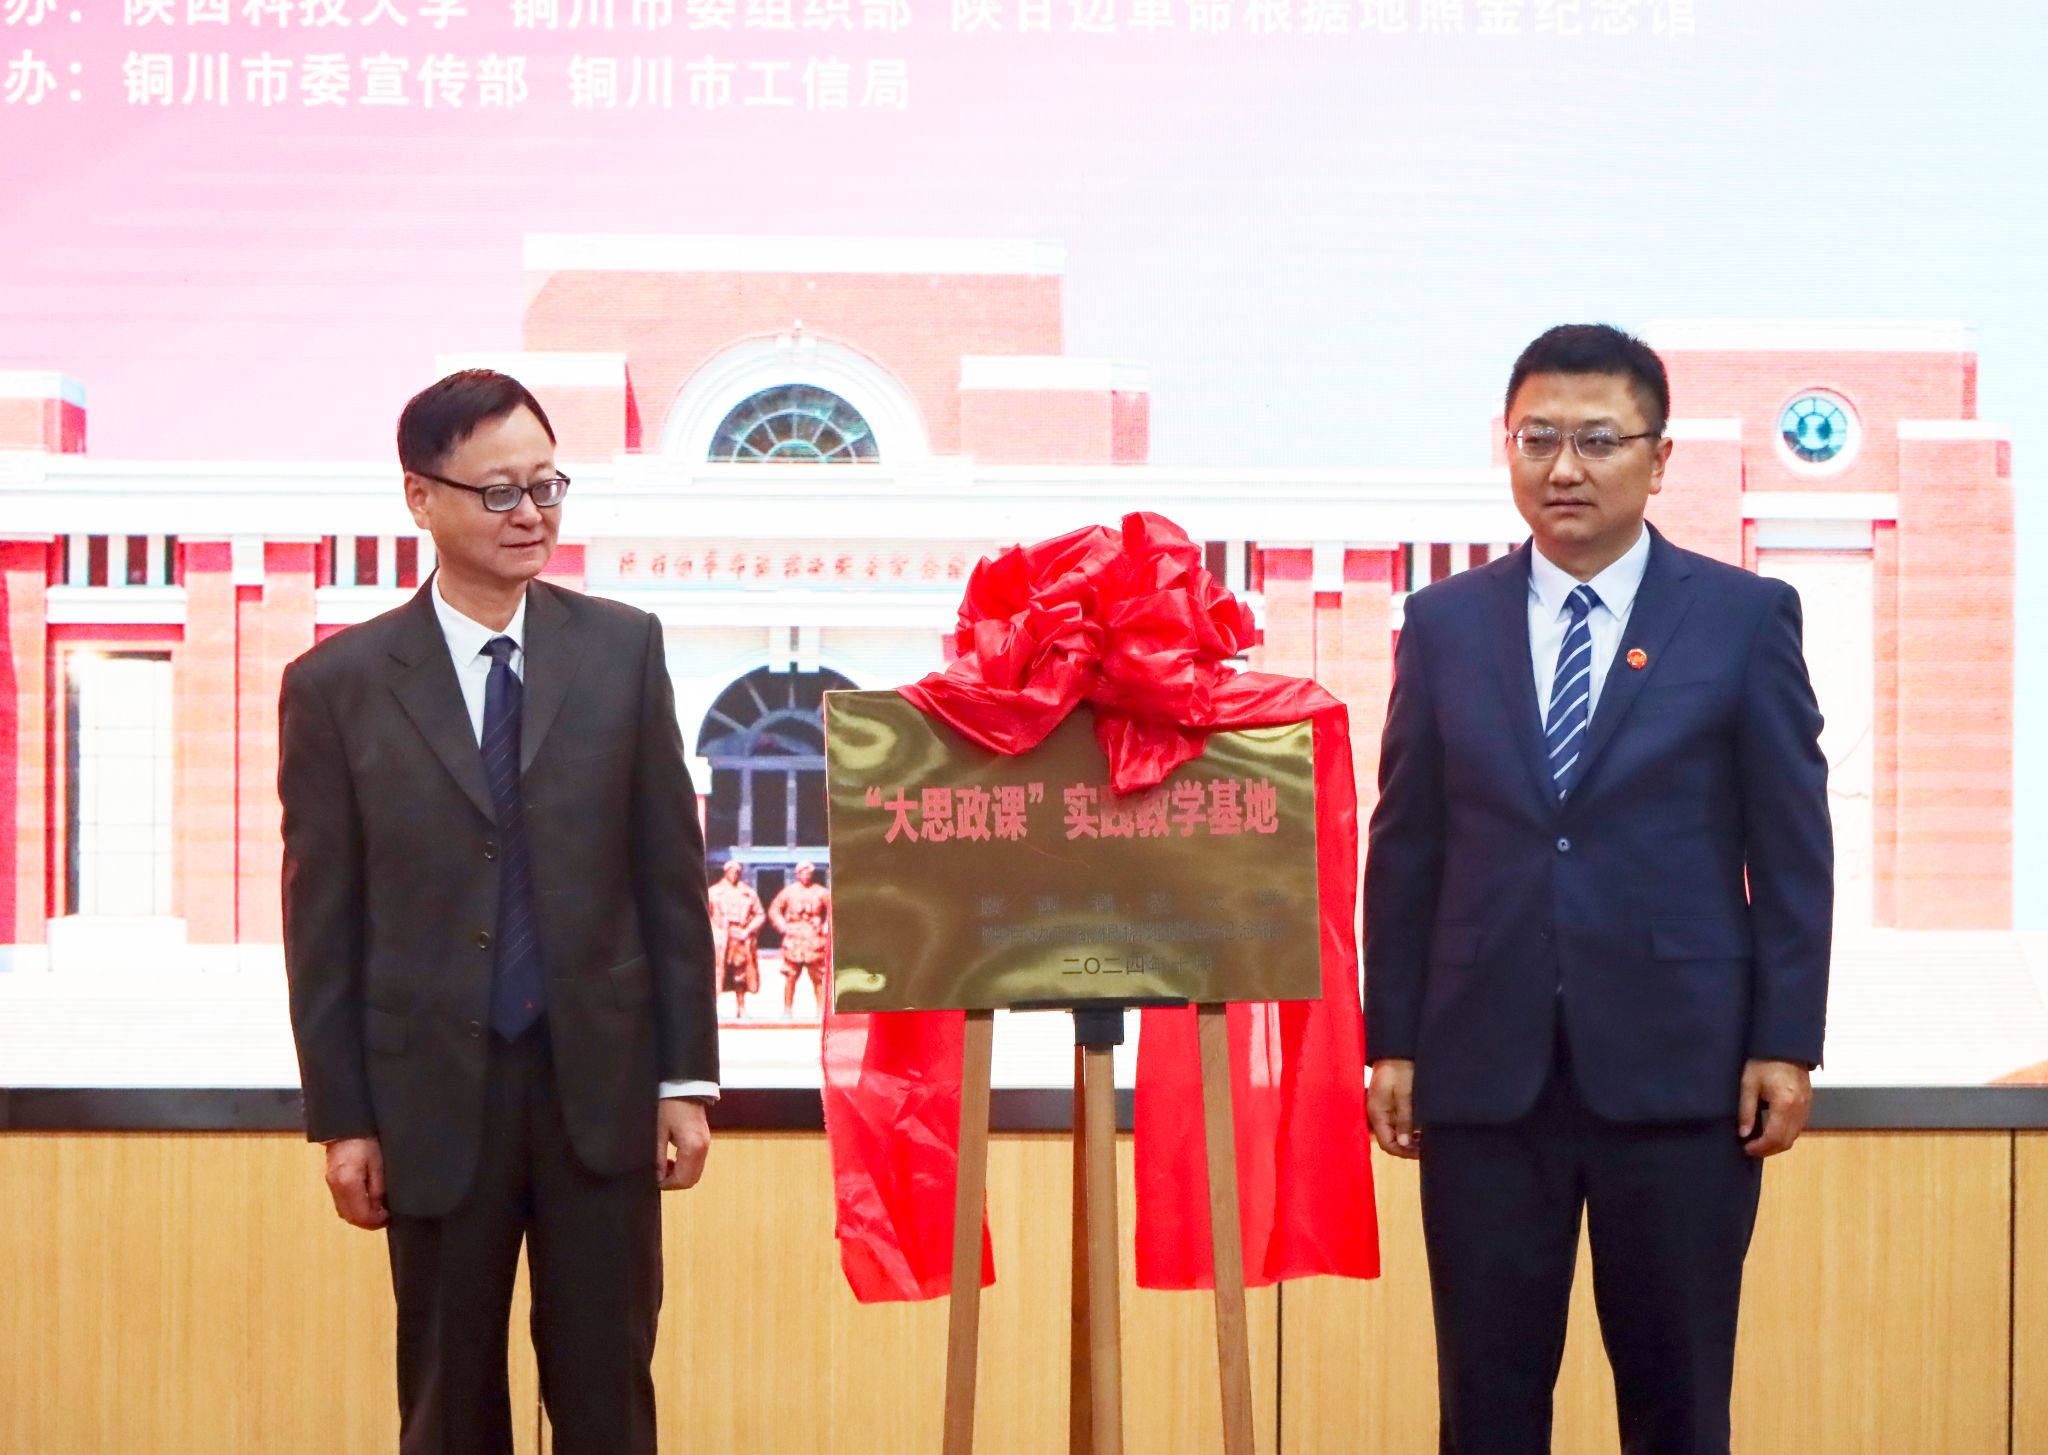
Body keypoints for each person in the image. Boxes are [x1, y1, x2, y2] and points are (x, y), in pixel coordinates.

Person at [1363, 324, 1832, 1454]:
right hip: (1483, 1073)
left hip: (1683, 1076)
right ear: (1507, 449)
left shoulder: (1741, 617)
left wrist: (1784, 1041)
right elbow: (1407, 843)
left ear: (1658, 458)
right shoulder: (1443, 623)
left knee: (1676, 1402)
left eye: (1595, 440)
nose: (1562, 467)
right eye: (1537, 439)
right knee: (1485, 1405)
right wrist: (1395, 1041)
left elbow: (1790, 846)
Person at [279, 369, 719, 1455]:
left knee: (608, 1397)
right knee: (447, 1403)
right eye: (499, 492)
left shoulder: (622, 650)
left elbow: (668, 879)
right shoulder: (336, 686)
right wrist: (343, 1117)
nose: (531, 514)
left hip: (600, 1091)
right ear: (420, 498)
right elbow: (322, 924)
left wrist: (683, 1078)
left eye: (547, 485)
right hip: (429, 1098)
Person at [766, 861, 832, 1019]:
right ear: (797, 874)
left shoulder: (820, 892)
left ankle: (820, 1011)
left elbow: (833, 910)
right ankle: (787, 1010)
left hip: (814, 940)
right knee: (790, 976)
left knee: (818, 978)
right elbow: (774, 910)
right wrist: (783, 927)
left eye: (808, 873)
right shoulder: (789, 892)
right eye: (803, 872)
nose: (806, 876)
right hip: (794, 940)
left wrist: (826, 926)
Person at [708, 859, 766, 1019]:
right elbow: (704, 915)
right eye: (731, 871)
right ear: (725, 872)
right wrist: (714, 931)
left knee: (740, 974)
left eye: (736, 872)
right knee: (716, 974)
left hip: (740, 938)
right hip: (720, 940)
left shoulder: (748, 893)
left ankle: (741, 1008)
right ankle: (713, 1010)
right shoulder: (714, 892)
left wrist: (747, 930)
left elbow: (760, 914)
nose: (733, 875)